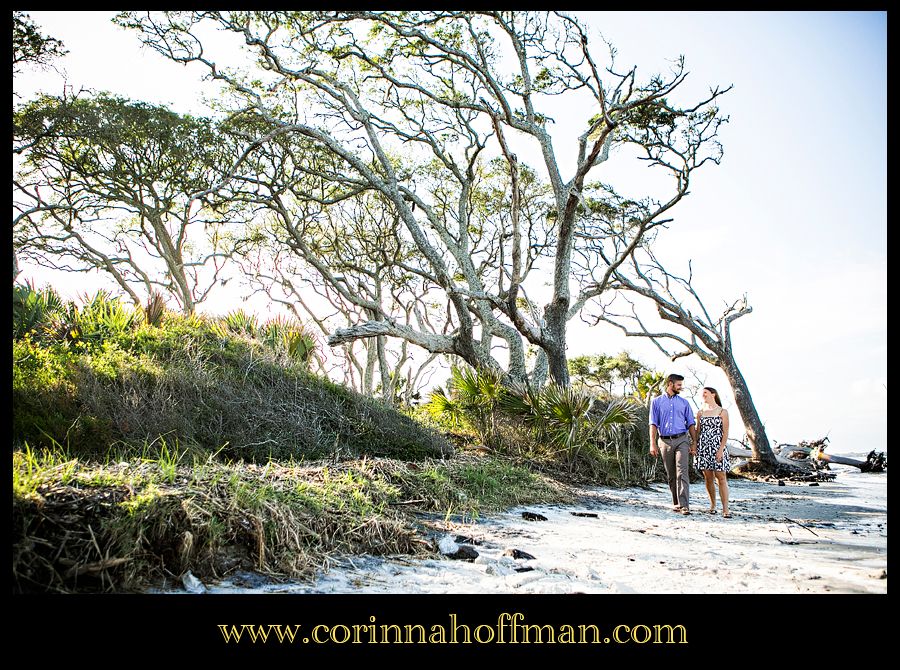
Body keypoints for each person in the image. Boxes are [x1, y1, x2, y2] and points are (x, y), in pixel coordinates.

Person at [649, 374, 697, 515]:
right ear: (670, 384)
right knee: (671, 474)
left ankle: (684, 505)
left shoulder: (684, 403)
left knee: (682, 471)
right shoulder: (656, 402)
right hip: (664, 441)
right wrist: (652, 443)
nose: (681, 387)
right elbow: (653, 423)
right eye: (679, 385)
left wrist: (694, 442)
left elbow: (691, 424)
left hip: (682, 439)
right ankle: (676, 502)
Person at [693, 387, 732, 518]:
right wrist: (695, 445)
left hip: (717, 447)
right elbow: (698, 432)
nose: (703, 395)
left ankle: (725, 509)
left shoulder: (722, 412)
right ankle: (713, 505)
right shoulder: (700, 412)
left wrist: (721, 449)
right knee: (708, 478)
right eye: (702, 393)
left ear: (713, 394)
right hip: (704, 447)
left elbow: (725, 433)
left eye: (705, 392)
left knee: (721, 477)